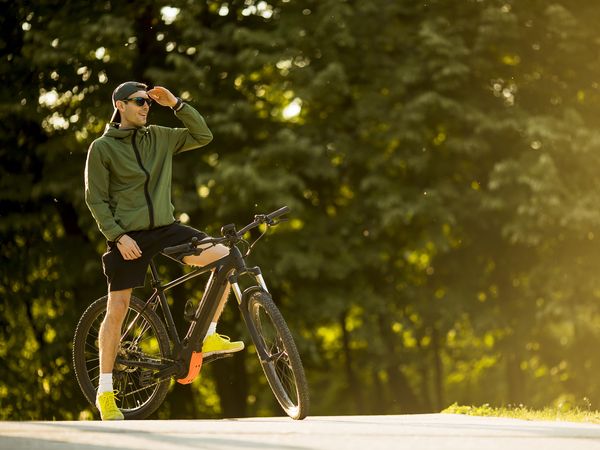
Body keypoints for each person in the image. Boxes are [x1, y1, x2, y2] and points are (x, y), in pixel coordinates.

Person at [84, 81, 243, 421]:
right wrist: (117, 236)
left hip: (166, 228)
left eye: (148, 103)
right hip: (128, 236)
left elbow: (203, 136)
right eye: (139, 102)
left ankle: (209, 335)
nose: (145, 107)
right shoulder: (102, 148)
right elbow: (95, 199)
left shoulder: (159, 136)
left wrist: (177, 104)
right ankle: (105, 391)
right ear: (120, 105)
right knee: (118, 308)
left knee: (225, 257)